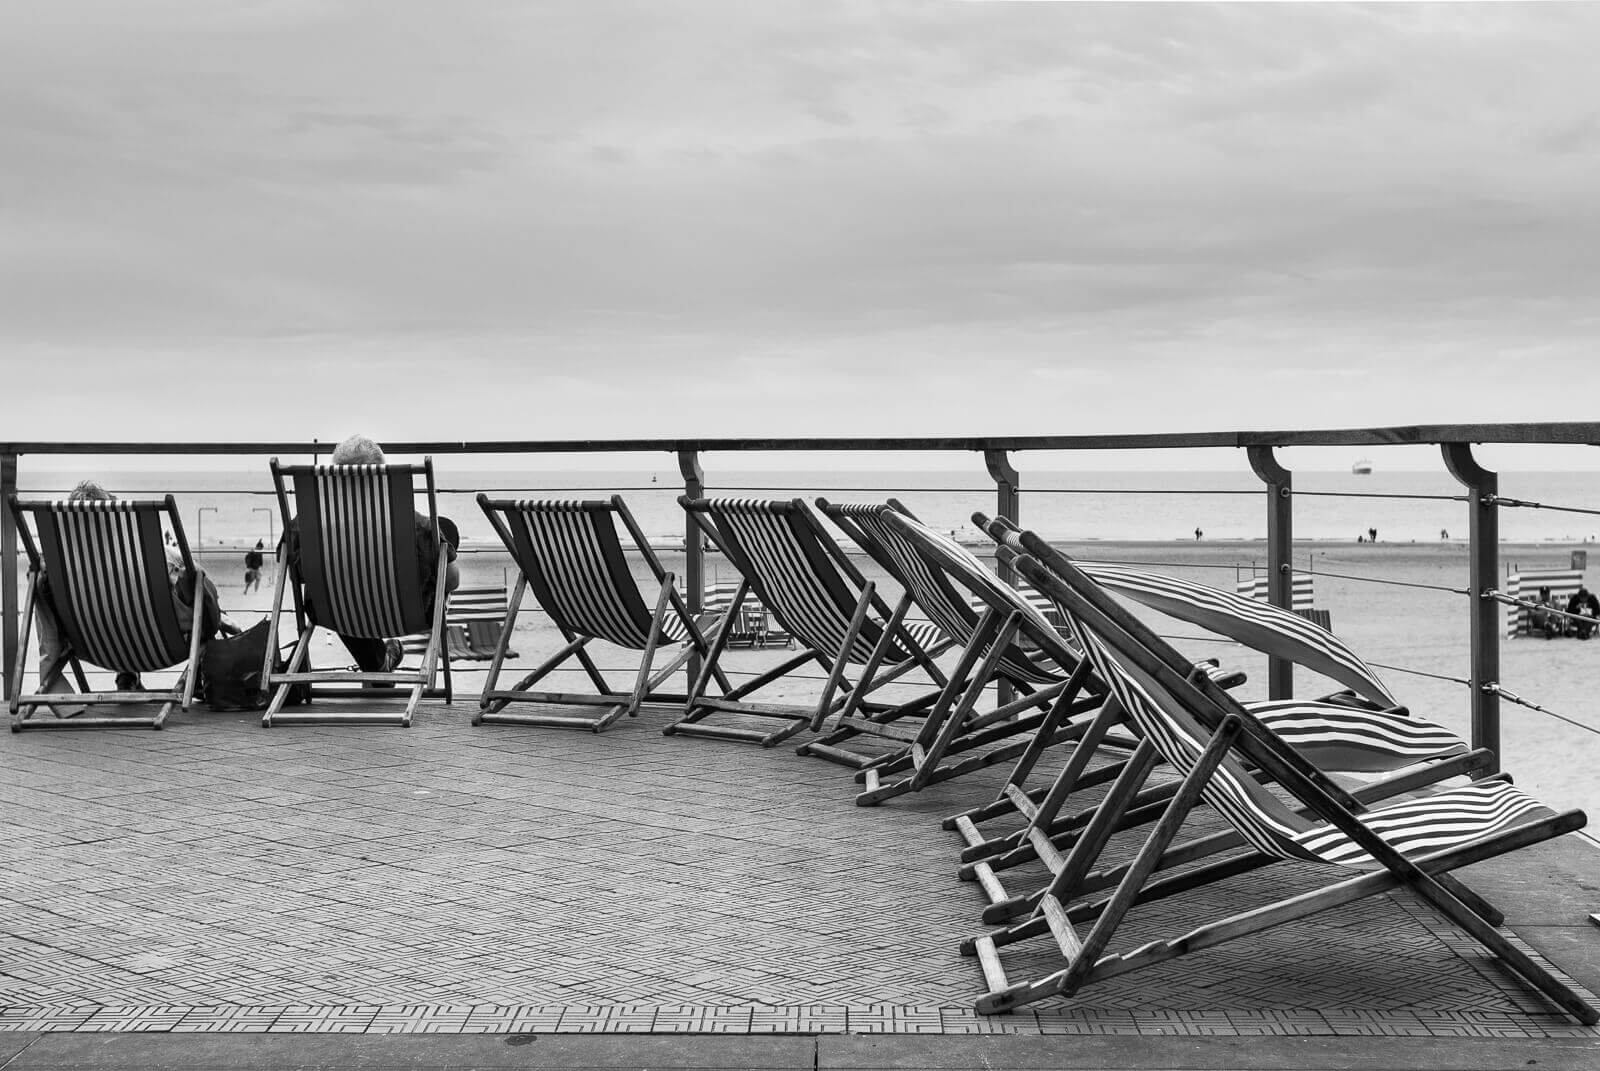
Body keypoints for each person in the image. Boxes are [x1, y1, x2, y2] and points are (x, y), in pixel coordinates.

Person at [33, 480, 240, 705]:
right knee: (196, 596)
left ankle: (127, 676)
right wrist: (216, 620)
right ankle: (194, 675)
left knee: (118, 607)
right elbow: (203, 592)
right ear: (114, 520)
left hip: (93, 648)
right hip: (157, 648)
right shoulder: (156, 558)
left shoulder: (56, 570)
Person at [280, 434, 460, 675]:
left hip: (332, 614)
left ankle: (377, 663)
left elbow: (295, 575)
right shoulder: (417, 527)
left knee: (337, 591)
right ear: (382, 476)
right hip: (408, 615)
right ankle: (381, 663)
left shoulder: (304, 526)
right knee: (444, 536)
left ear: (334, 477)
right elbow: (451, 580)